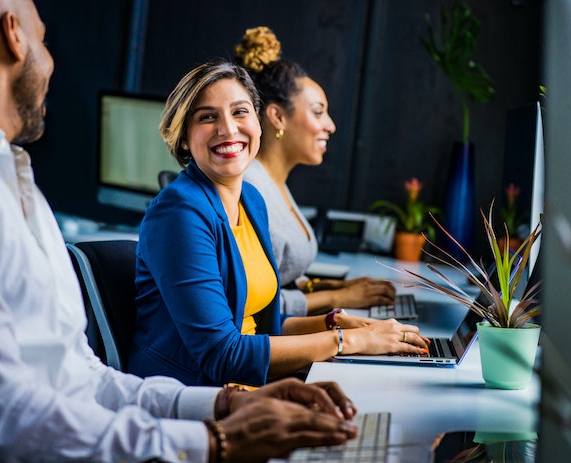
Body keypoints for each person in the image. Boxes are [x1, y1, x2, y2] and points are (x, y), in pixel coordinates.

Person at [0, 1, 360, 461]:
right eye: (44, 39)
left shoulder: (8, 173)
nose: (51, 61)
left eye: (239, 112)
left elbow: (83, 379)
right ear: (14, 35)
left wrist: (229, 404)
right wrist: (216, 440)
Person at [128, 58, 429, 388]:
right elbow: (221, 355)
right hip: (192, 396)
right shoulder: (179, 212)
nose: (228, 128)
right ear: (184, 138)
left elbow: (263, 327)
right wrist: (349, 342)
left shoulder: (252, 201)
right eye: (208, 117)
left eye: (240, 112)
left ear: (258, 123)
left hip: (247, 386)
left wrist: (340, 325)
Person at [236, 26, 397, 317]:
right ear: (277, 116)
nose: (330, 125)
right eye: (318, 112)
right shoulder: (250, 189)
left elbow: (280, 279)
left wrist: (331, 287)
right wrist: (339, 297)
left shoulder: (274, 183)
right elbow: (254, 306)